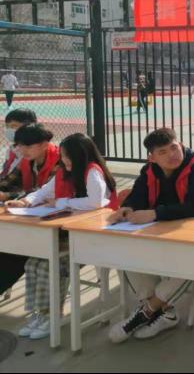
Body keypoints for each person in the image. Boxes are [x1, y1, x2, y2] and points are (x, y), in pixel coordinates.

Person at [107, 128, 194, 343]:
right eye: (163, 152)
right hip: (165, 235)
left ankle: (147, 311)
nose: (172, 154)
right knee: (126, 253)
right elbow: (138, 195)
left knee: (189, 263)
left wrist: (154, 214)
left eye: (174, 147)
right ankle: (165, 312)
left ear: (181, 145)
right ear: (152, 157)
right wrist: (127, 208)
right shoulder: (149, 170)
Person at [7, 133, 116, 340]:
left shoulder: (93, 171)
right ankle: (40, 313)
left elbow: (95, 202)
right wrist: (26, 202)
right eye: (63, 156)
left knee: (50, 266)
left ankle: (53, 315)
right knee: (33, 263)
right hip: (68, 235)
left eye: (67, 156)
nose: (63, 160)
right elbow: (44, 191)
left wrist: (61, 203)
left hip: (92, 238)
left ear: (79, 155)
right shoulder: (64, 172)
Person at [0, 124, 59, 301]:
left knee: (15, 252)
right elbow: (8, 182)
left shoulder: (60, 161)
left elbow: (42, 193)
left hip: (52, 223)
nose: (22, 150)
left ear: (44, 144)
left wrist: (7, 195)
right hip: (29, 220)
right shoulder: (27, 160)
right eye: (19, 145)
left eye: (27, 145)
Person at [2, 108, 37, 179]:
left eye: (14, 126)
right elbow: (6, 169)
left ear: (29, 126)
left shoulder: (37, 150)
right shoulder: (12, 149)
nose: (9, 130)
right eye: (7, 126)